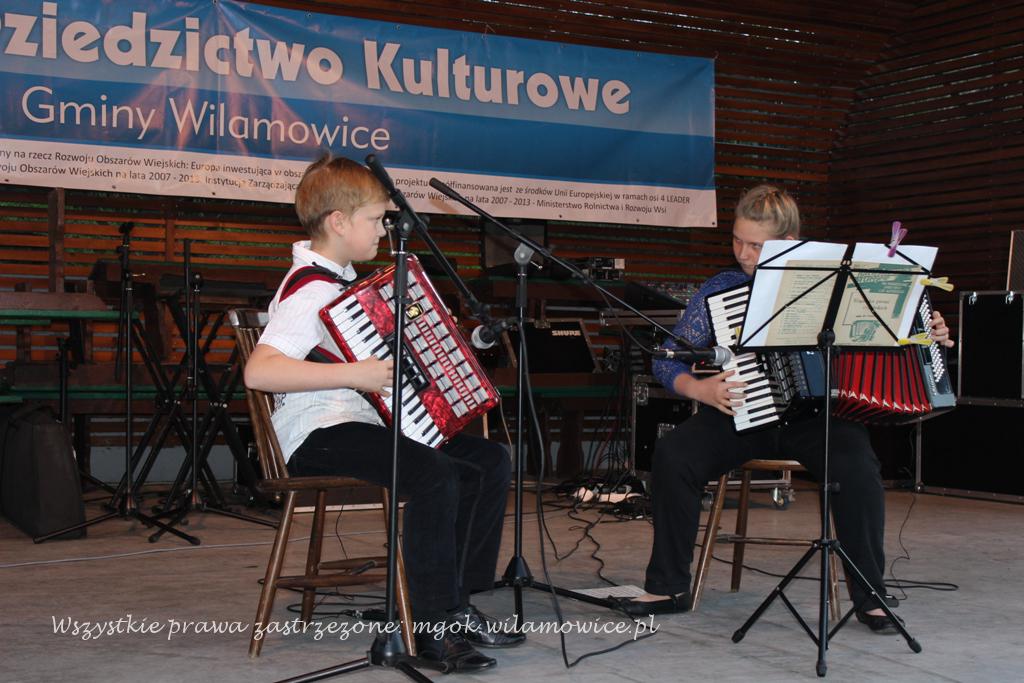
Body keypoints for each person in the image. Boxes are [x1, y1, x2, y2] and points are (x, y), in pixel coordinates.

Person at [614, 185, 955, 634]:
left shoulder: (835, 288)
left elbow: (889, 339)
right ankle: (667, 586)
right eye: (737, 240)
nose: (743, 253)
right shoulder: (722, 288)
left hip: (819, 418)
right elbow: (666, 358)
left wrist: (927, 332)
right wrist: (699, 389)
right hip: (742, 413)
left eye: (755, 245)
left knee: (857, 468)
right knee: (675, 454)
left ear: (788, 242)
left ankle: (871, 597)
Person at [243, 154, 523, 672]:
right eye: (375, 219)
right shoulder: (310, 290)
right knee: (434, 473)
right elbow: (259, 372)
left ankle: (454, 601)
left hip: (363, 424)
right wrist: (356, 375)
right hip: (317, 435)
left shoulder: (346, 283)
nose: (383, 230)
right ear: (338, 221)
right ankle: (430, 627)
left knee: (488, 461)